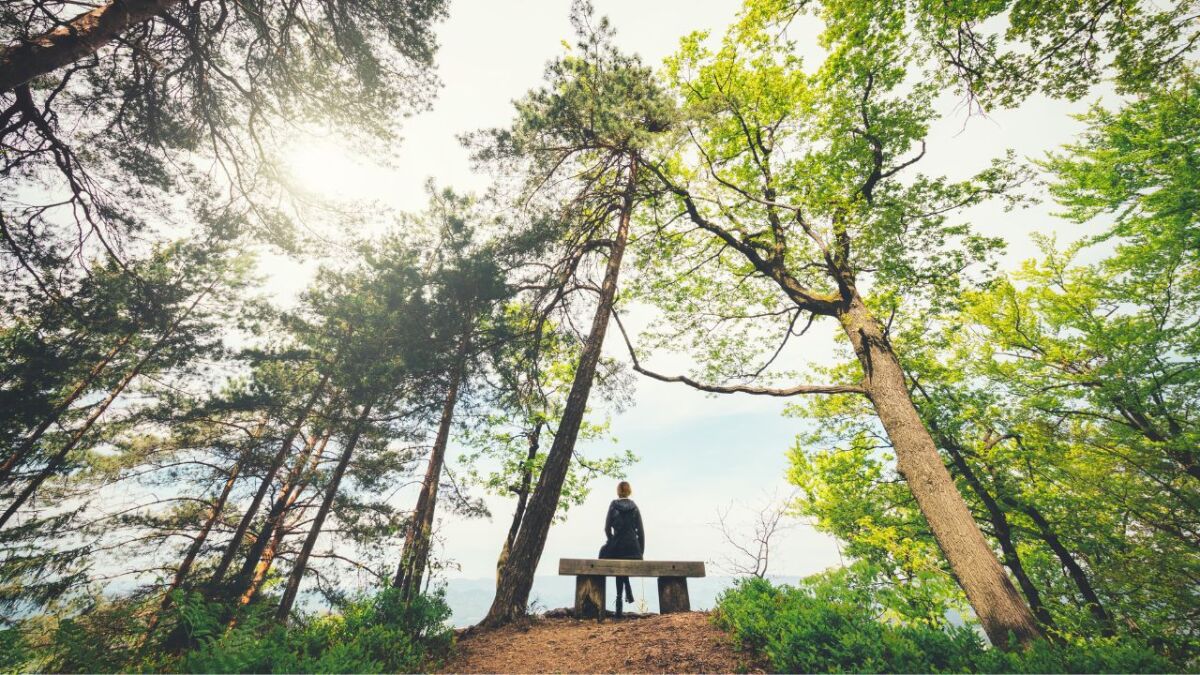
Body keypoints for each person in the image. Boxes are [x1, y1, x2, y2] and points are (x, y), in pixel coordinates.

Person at [599, 480, 644, 616]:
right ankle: (626, 594)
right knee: (622, 563)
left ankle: (619, 600)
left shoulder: (613, 506)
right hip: (633, 549)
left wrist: (612, 541)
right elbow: (641, 532)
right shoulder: (635, 507)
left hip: (617, 546)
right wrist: (640, 551)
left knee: (605, 555)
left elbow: (607, 528)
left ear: (618, 491)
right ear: (629, 491)